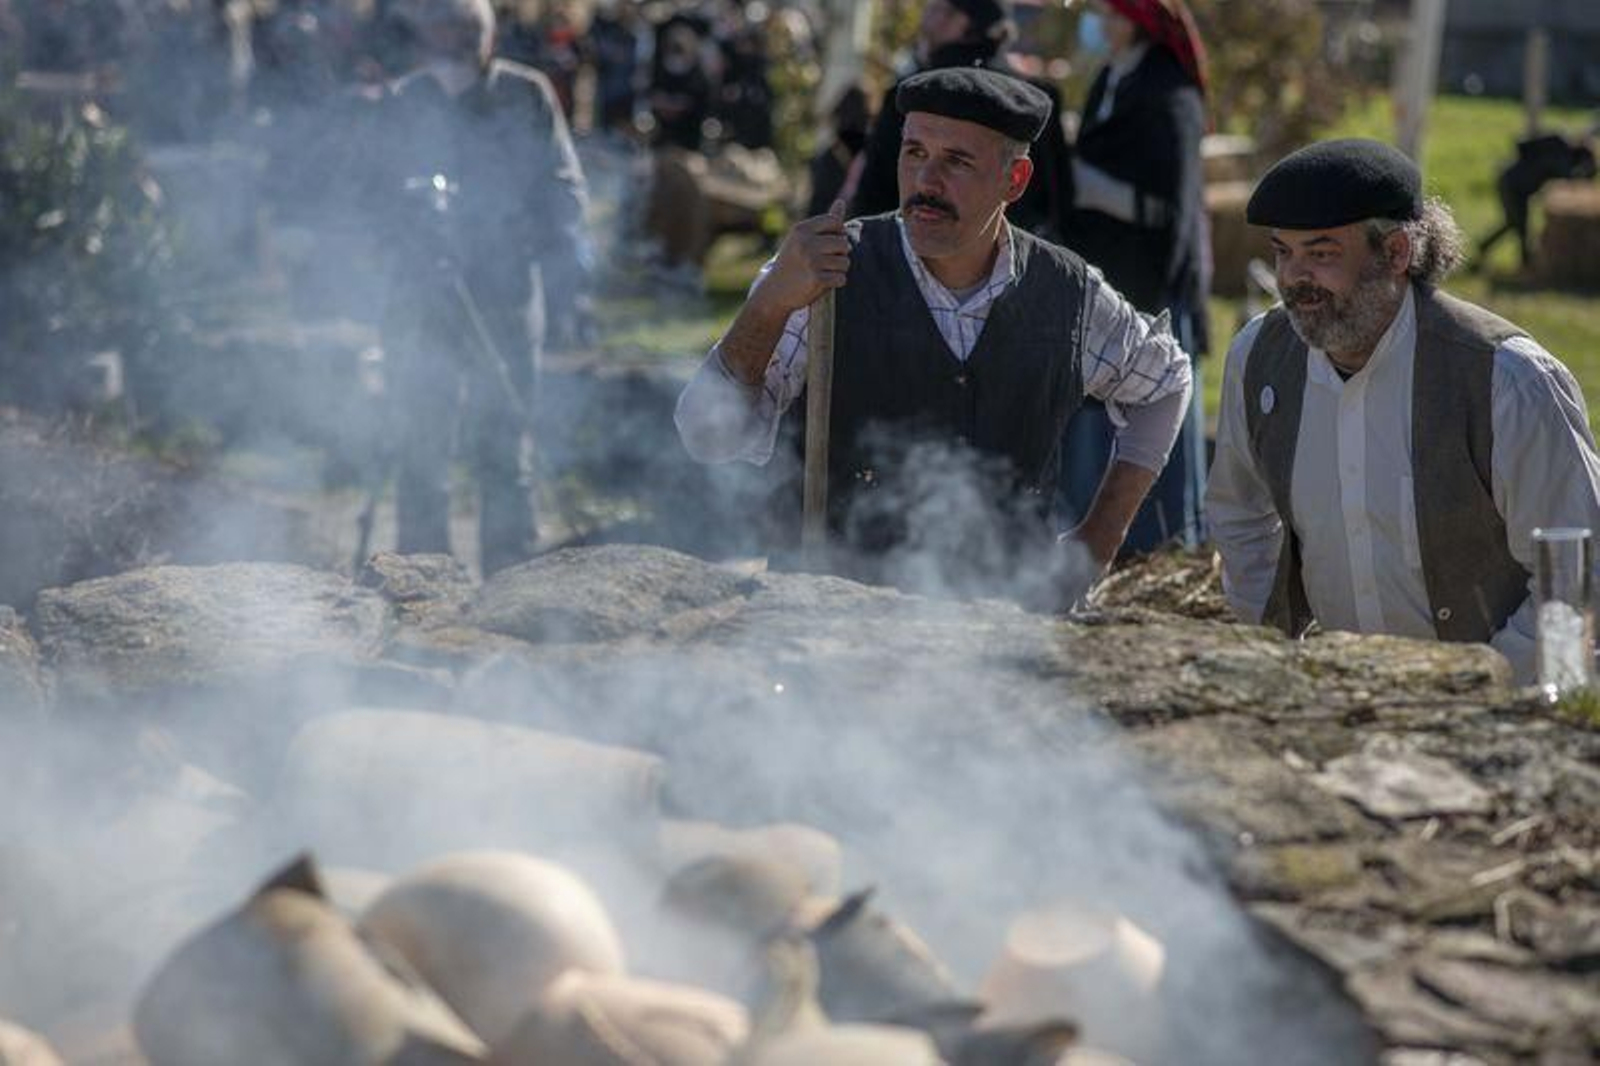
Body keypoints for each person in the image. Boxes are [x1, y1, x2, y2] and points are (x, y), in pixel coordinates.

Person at [675, 67, 1192, 597]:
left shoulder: (1068, 293)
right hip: (829, 639)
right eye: (914, 153)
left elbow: (1166, 381)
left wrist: (1098, 540)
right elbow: (705, 438)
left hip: (1002, 635)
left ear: (1014, 180)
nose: (926, 183)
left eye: (957, 162)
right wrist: (768, 304)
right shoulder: (827, 273)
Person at [1206, 139, 1600, 682]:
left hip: (1498, 710)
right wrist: (1272, 651)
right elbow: (1238, 515)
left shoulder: (1508, 381)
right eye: (1282, 252)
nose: (1295, 279)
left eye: (1321, 254)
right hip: (1339, 699)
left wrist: (1477, 685)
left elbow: (1578, 573)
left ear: (1395, 253)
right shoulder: (1258, 357)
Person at [365, 0, 590, 575]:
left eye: (467, 31)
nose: (455, 44)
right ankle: (420, 576)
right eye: (444, 31)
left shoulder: (526, 94)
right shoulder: (404, 102)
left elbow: (565, 190)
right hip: (421, 297)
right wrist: (408, 222)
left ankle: (512, 575)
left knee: (504, 439)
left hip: (505, 293)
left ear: (488, 36)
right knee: (421, 441)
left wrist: (537, 247)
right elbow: (368, 197)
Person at [1057, 0, 1210, 555]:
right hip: (1107, 273)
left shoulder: (1170, 92)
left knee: (1155, 399)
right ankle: (1094, 532)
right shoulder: (1109, 80)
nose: (1096, 20)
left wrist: (1087, 185)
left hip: (1152, 279)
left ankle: (1160, 544)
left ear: (1135, 19)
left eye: (1105, 10)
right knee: (1097, 409)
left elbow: (1168, 204)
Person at [850, 0, 1071, 245]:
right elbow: (1061, 203)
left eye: (936, 9)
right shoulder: (1035, 97)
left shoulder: (913, 95)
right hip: (1021, 263)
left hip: (918, 257)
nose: (926, 19)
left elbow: (872, 198)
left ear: (963, 23)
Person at [1477, 129, 1598, 270]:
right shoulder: (1561, 154)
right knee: (1518, 224)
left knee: (1515, 223)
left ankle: (1489, 248)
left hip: (1515, 184)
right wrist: (1587, 173)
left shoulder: (1559, 147)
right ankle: (1524, 262)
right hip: (1513, 185)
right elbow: (1567, 175)